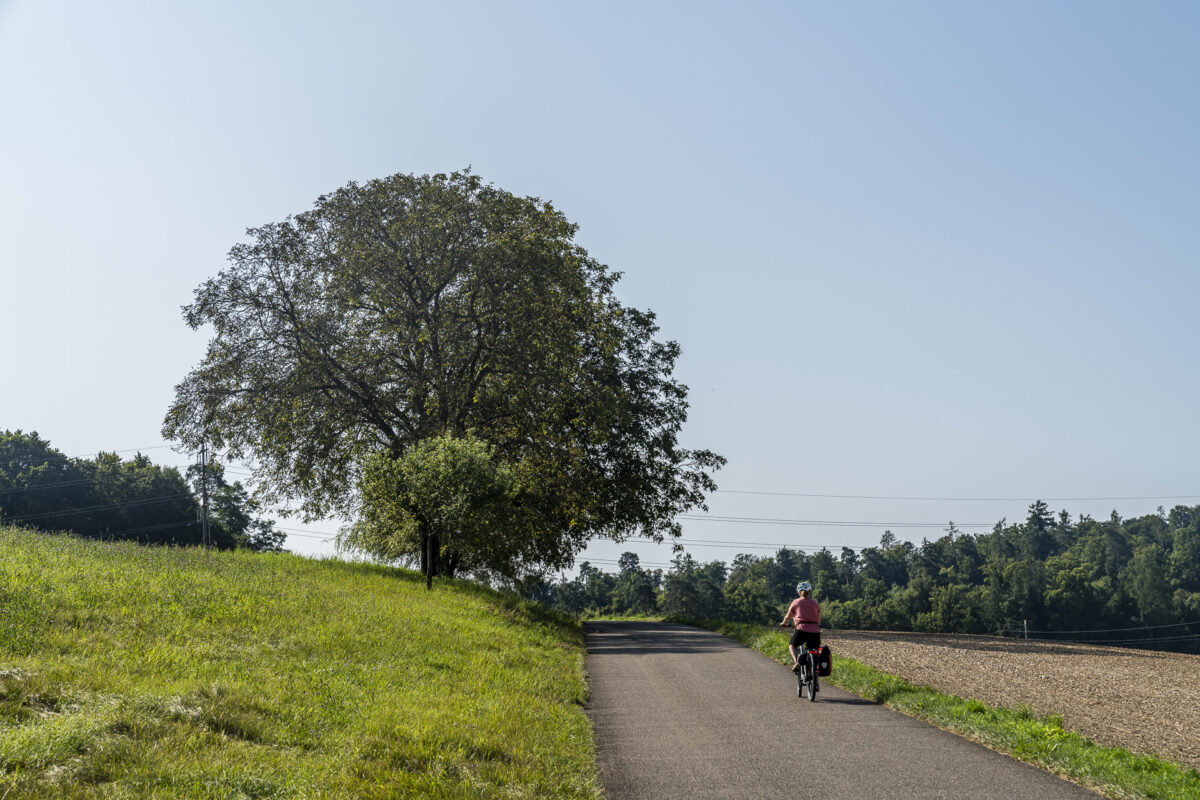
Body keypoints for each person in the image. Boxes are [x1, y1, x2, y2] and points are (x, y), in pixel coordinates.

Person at [780, 581, 821, 672]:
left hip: (801, 629)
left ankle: (796, 662)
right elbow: (818, 620)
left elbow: (788, 616)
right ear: (809, 592)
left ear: (799, 592)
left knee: (792, 645)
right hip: (815, 631)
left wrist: (784, 623)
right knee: (814, 650)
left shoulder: (796, 602)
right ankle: (814, 670)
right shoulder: (815, 603)